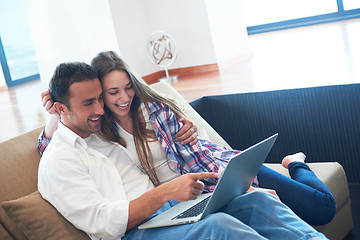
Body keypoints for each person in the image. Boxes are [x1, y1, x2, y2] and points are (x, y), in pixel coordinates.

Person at [39, 51, 336, 226]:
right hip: (195, 195)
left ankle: (296, 163)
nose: (124, 97)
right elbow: (51, 145)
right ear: (99, 95)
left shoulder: (153, 109)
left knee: (323, 208)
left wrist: (242, 190)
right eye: (113, 92)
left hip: (224, 169)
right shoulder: (99, 129)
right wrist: (55, 110)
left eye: (128, 87)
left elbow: (192, 157)